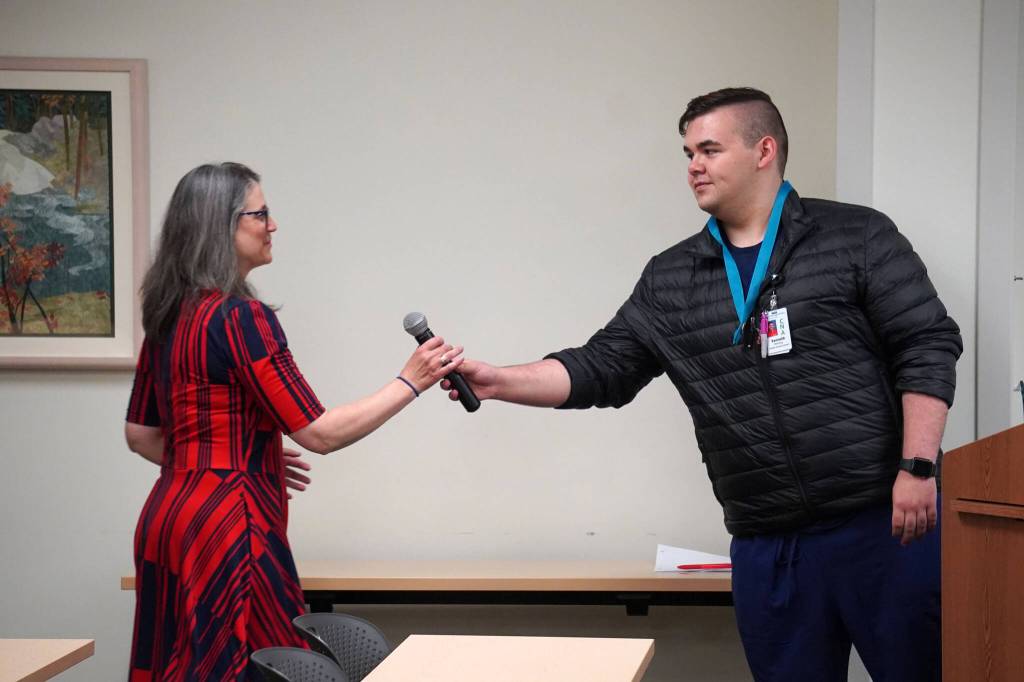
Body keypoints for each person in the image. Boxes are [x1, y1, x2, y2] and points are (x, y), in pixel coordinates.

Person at [444, 88, 961, 681]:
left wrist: (917, 468)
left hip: (883, 524)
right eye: (688, 152)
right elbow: (603, 367)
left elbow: (926, 344)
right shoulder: (672, 277)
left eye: (709, 149)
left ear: (764, 150)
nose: (693, 165)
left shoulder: (857, 237)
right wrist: (498, 380)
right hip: (767, 544)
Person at [124, 162, 462, 681]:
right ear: (223, 226)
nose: (272, 225)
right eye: (261, 213)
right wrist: (410, 381)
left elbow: (142, 435)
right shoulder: (240, 318)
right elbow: (319, 433)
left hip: (168, 520)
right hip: (229, 526)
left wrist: (236, 452)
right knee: (257, 668)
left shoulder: (168, 315)